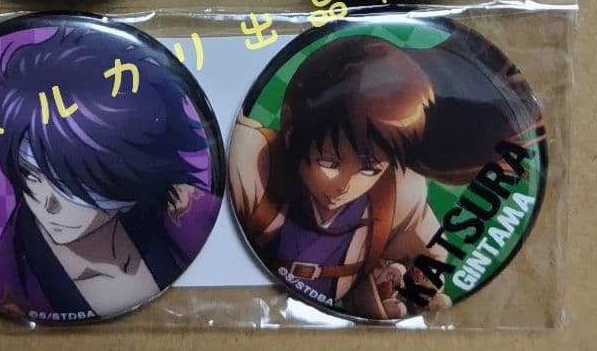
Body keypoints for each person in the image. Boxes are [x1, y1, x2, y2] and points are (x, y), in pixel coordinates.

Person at [229, 29, 542, 320]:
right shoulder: (256, 163)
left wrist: (402, 285)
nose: (345, 185)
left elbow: (431, 258)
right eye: (329, 163)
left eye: (369, 168)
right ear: (291, 133)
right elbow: (237, 140)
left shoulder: (398, 194)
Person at [0, 26, 221, 319]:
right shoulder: (11, 285)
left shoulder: (180, 209)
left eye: (68, 181)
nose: (47, 205)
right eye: (31, 174)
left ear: (123, 170)